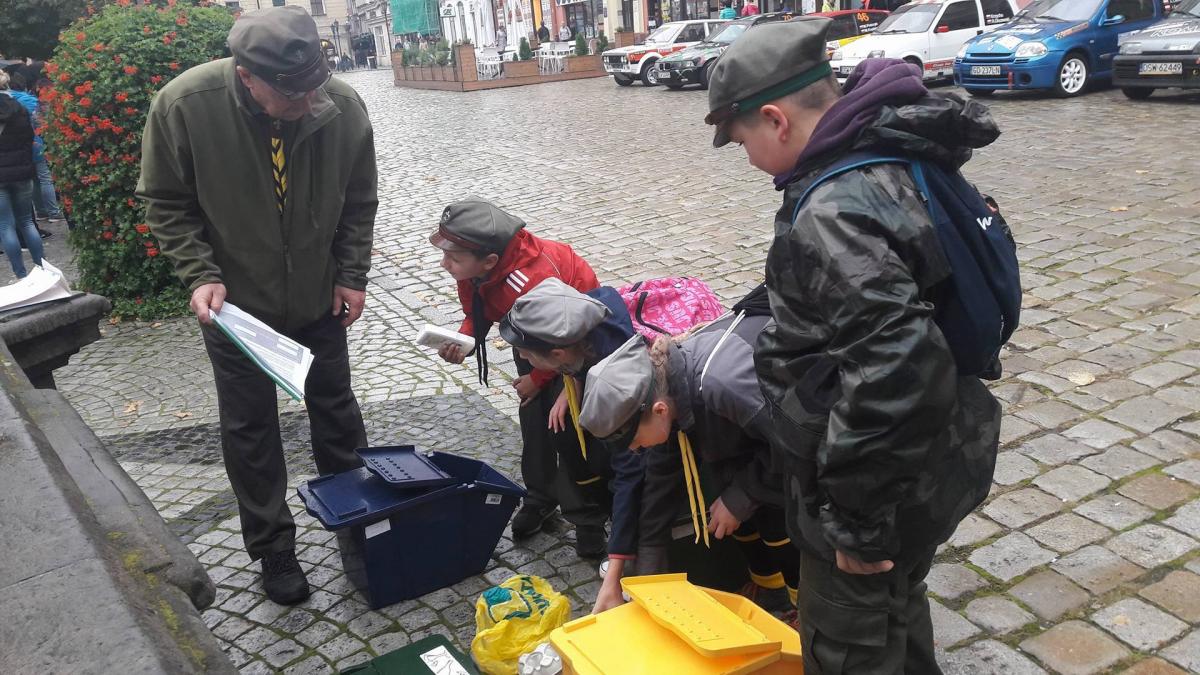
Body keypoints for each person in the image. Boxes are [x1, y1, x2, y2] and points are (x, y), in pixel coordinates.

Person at [704, 20, 1002, 673]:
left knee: (848, 642)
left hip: (875, 488)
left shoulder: (833, 210)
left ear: (777, 120)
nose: (748, 159)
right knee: (898, 606)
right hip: (932, 456)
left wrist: (856, 524)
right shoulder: (886, 151)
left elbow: (899, 367)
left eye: (744, 140)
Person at [137, 6, 377, 606]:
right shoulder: (184, 106)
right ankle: (272, 546)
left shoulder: (341, 107)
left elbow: (359, 200)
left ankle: (357, 521)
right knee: (250, 430)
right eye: (292, 94)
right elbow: (165, 201)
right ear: (246, 75)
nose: (309, 103)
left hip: (319, 300)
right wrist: (200, 274)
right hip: (237, 310)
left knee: (338, 417)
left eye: (315, 86)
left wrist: (351, 275)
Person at [579, 310, 801, 617]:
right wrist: (645, 582)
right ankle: (771, 593)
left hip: (802, 446)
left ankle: (802, 609)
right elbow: (658, 489)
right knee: (729, 505)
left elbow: (795, 448)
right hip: (756, 446)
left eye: (635, 442)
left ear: (659, 410)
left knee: (778, 520)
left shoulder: (723, 385)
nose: (635, 450)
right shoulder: (668, 393)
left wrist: (742, 496)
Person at [431, 199, 610, 558]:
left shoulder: (532, 281)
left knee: (569, 430)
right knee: (534, 420)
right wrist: (465, 341)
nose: (444, 264)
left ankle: (587, 518)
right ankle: (540, 497)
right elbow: (477, 311)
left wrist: (538, 379)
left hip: (574, 348)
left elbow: (563, 345)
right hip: (530, 340)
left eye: (453, 258)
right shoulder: (475, 271)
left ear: (489, 261)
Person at [498, 278, 644, 594]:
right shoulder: (581, 319)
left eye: (527, 356)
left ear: (558, 354)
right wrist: (573, 383)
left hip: (658, 428)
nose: (524, 362)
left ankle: (638, 550)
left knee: (630, 472)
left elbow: (630, 467)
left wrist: (619, 559)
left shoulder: (617, 382)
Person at [0, 70, 43, 278]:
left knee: (5, 225)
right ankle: (42, 269)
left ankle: (21, 275)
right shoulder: (20, 109)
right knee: (27, 222)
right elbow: (29, 138)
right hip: (23, 173)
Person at [6, 73, 62, 225]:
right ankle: (54, 212)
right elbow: (42, 123)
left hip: (17, 148)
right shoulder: (30, 101)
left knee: (35, 179)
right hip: (36, 144)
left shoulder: (7, 100)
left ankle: (41, 212)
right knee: (45, 178)